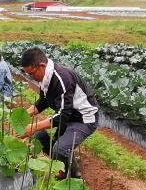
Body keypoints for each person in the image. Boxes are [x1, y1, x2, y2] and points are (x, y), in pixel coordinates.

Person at [16, 46, 99, 177]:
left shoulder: (62, 78)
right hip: (69, 116)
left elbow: (62, 116)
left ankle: (69, 175)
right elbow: (43, 101)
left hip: (83, 119)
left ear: (42, 66)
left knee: (59, 149)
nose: (30, 77)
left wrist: (33, 127)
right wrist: (22, 116)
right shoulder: (46, 78)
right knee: (40, 138)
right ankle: (71, 168)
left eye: (31, 73)